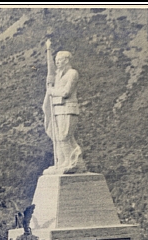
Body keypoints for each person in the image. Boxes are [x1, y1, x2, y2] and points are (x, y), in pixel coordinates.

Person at [41, 41, 85, 174]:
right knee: (58, 137)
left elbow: (66, 92)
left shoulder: (72, 73)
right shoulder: (59, 75)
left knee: (65, 136)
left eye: (59, 60)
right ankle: (62, 162)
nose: (57, 62)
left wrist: (52, 91)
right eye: (56, 60)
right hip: (58, 110)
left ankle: (72, 162)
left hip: (69, 109)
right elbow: (52, 76)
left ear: (66, 60)